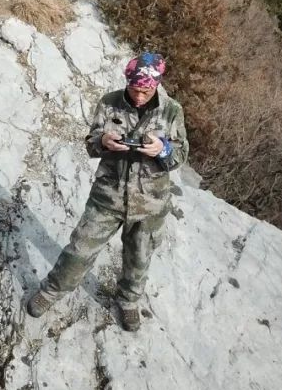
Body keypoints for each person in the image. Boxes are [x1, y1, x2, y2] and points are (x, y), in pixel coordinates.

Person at [26, 52, 189, 332]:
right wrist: (103, 141)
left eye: (146, 90)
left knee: (139, 258)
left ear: (157, 85)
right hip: (108, 196)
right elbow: (91, 143)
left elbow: (181, 153)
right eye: (135, 89)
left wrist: (162, 150)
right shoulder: (109, 102)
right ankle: (52, 290)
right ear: (127, 82)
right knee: (79, 249)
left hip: (150, 203)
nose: (139, 96)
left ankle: (128, 301)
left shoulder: (172, 110)